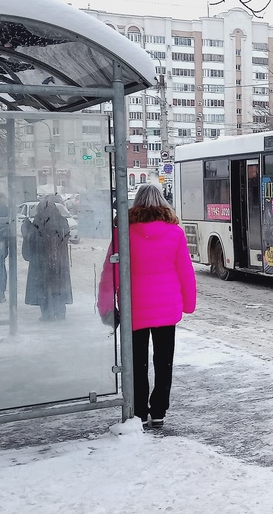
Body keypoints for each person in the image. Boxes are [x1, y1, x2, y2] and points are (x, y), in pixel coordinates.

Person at [97, 184, 197, 430]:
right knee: (164, 362)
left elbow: (112, 271)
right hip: (166, 308)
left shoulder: (125, 232)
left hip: (134, 308)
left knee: (137, 363)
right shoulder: (174, 233)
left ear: (136, 203)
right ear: (163, 203)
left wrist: (106, 306)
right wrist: (189, 303)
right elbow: (185, 270)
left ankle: (139, 411)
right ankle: (159, 410)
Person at [22, 197, 73, 320]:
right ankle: (60, 312)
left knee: (44, 289)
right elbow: (65, 238)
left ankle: (47, 314)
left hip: (42, 262)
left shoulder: (38, 222)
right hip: (59, 262)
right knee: (58, 287)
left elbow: (32, 242)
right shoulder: (62, 221)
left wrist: (26, 228)